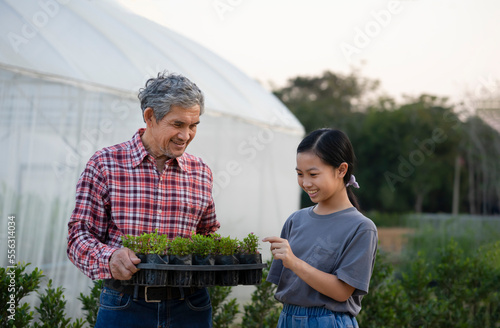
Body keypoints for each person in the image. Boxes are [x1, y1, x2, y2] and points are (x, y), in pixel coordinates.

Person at [67, 72, 220, 328]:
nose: (186, 135)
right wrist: (110, 257)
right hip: (126, 305)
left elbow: (208, 232)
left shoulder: (200, 171)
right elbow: (78, 237)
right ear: (150, 117)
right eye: (177, 124)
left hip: (190, 307)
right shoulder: (105, 164)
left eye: (193, 125)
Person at [263, 128, 377, 328]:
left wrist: (294, 262)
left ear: (341, 170)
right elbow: (288, 286)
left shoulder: (361, 227)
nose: (305, 183)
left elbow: (341, 292)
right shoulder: (295, 220)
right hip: (287, 319)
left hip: (329, 321)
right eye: (300, 174)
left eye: (313, 174)